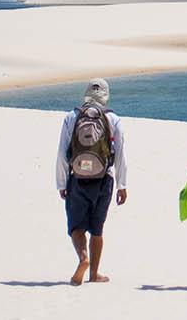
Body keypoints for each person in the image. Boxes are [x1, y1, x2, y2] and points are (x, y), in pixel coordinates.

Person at [56, 78, 128, 286]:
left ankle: (82, 258)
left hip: (77, 177)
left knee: (76, 224)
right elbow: (121, 153)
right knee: (97, 228)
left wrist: (62, 183)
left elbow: (62, 153)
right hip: (104, 179)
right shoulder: (113, 119)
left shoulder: (72, 117)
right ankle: (94, 273)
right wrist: (122, 185)